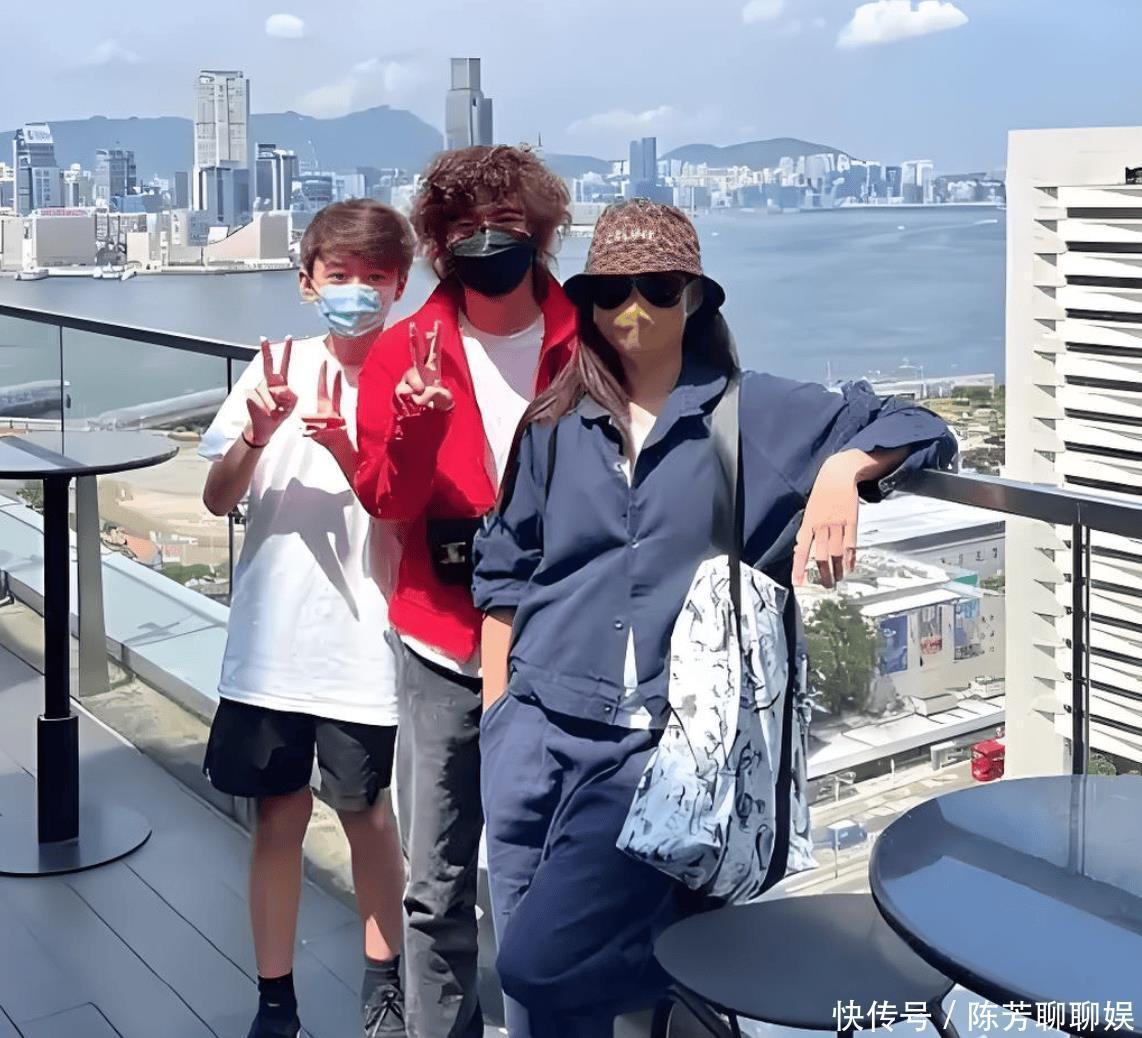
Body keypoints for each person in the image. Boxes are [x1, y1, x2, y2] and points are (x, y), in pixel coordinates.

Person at [473, 198, 958, 1037]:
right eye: (611, 290)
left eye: (657, 288)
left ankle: (691, 965)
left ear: (694, 296)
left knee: (536, 964)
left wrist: (842, 470)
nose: (632, 308)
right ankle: (684, 968)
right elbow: (505, 572)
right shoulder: (556, 422)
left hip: (655, 753)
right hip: (533, 735)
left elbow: (921, 426)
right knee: (536, 998)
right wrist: (498, 716)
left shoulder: (753, 415)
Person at [353, 145, 577, 1038]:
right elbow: (384, 498)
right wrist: (415, 427)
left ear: (541, 231)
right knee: (436, 883)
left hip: (561, 645)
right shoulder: (404, 348)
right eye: (467, 227)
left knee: (555, 874)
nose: (488, 240)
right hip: (442, 644)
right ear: (440, 243)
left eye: (507, 223)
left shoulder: (586, 341)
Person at [200, 199, 414, 1038]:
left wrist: (358, 454)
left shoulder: (415, 380)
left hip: (366, 643)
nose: (356, 291)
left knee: (368, 818)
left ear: (399, 284)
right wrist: (256, 435)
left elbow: (417, 514)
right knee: (277, 819)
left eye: (374, 276)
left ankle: (385, 984)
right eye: (339, 274)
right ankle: (275, 999)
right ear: (307, 282)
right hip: (273, 642)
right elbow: (217, 495)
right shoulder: (274, 367)